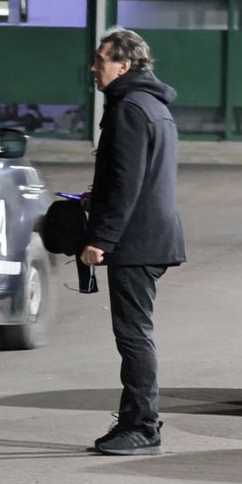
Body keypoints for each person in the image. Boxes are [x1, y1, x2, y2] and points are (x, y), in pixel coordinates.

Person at [81, 27, 186, 456]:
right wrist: (96, 198)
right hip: (149, 234)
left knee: (133, 334)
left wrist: (100, 238)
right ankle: (133, 421)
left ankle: (143, 426)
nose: (94, 67)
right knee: (134, 333)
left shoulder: (128, 108)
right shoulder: (151, 106)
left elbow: (127, 182)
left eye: (101, 60)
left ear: (124, 65)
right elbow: (137, 177)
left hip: (136, 241)